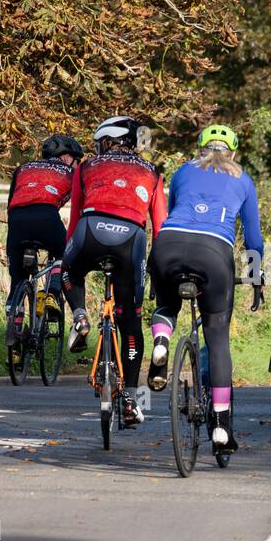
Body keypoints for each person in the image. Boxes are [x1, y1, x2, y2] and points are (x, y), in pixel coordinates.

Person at [145, 125, 264, 453]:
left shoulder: (184, 171)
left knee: (167, 306)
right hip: (213, 253)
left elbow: (171, 212)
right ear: (234, 152)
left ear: (199, 148)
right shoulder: (243, 178)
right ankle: (222, 426)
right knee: (217, 336)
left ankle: (161, 340)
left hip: (168, 243)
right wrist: (256, 277)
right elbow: (253, 237)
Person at [62, 116, 167, 426]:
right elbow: (159, 227)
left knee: (68, 270)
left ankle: (80, 317)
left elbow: (74, 220)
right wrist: (156, 269)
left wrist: (66, 260)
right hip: (130, 240)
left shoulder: (86, 166)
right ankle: (131, 400)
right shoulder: (153, 172)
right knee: (131, 322)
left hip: (90, 231)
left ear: (108, 140)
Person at [4, 134, 83, 346]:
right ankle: (52, 293)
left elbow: (11, 201)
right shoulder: (71, 172)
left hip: (17, 219)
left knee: (17, 278)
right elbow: (81, 208)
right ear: (67, 158)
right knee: (63, 253)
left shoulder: (23, 168)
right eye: (77, 160)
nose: (77, 165)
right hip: (46, 216)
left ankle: (14, 324)